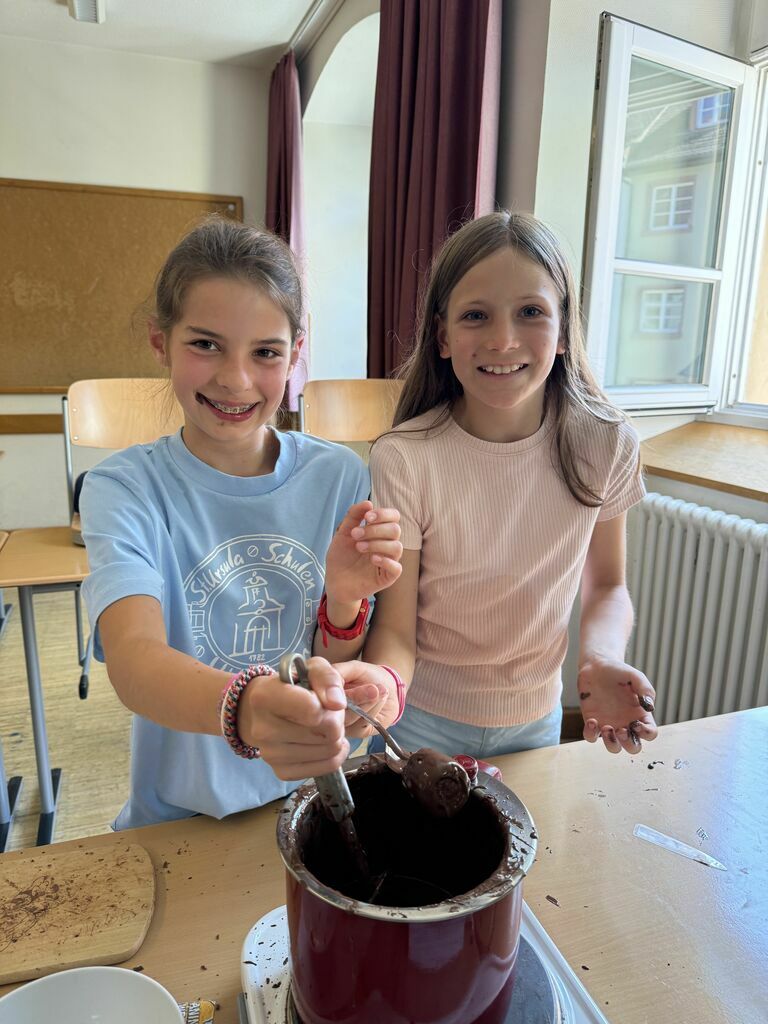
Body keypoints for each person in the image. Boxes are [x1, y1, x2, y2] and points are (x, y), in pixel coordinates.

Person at [80, 217, 403, 829]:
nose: (235, 379)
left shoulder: (338, 476)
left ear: (296, 354)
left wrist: (343, 602)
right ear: (160, 342)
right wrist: (245, 708)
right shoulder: (123, 487)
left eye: (266, 353)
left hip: (310, 806)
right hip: (180, 817)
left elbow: (330, 658)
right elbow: (135, 660)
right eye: (206, 344)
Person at [347, 210, 657, 760]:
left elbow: (608, 585)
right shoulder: (405, 455)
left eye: (531, 312)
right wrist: (385, 688)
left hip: (535, 719)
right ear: (443, 337)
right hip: (419, 718)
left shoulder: (607, 443)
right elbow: (395, 625)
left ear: (564, 331)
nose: (503, 340)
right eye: (476, 315)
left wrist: (600, 658)